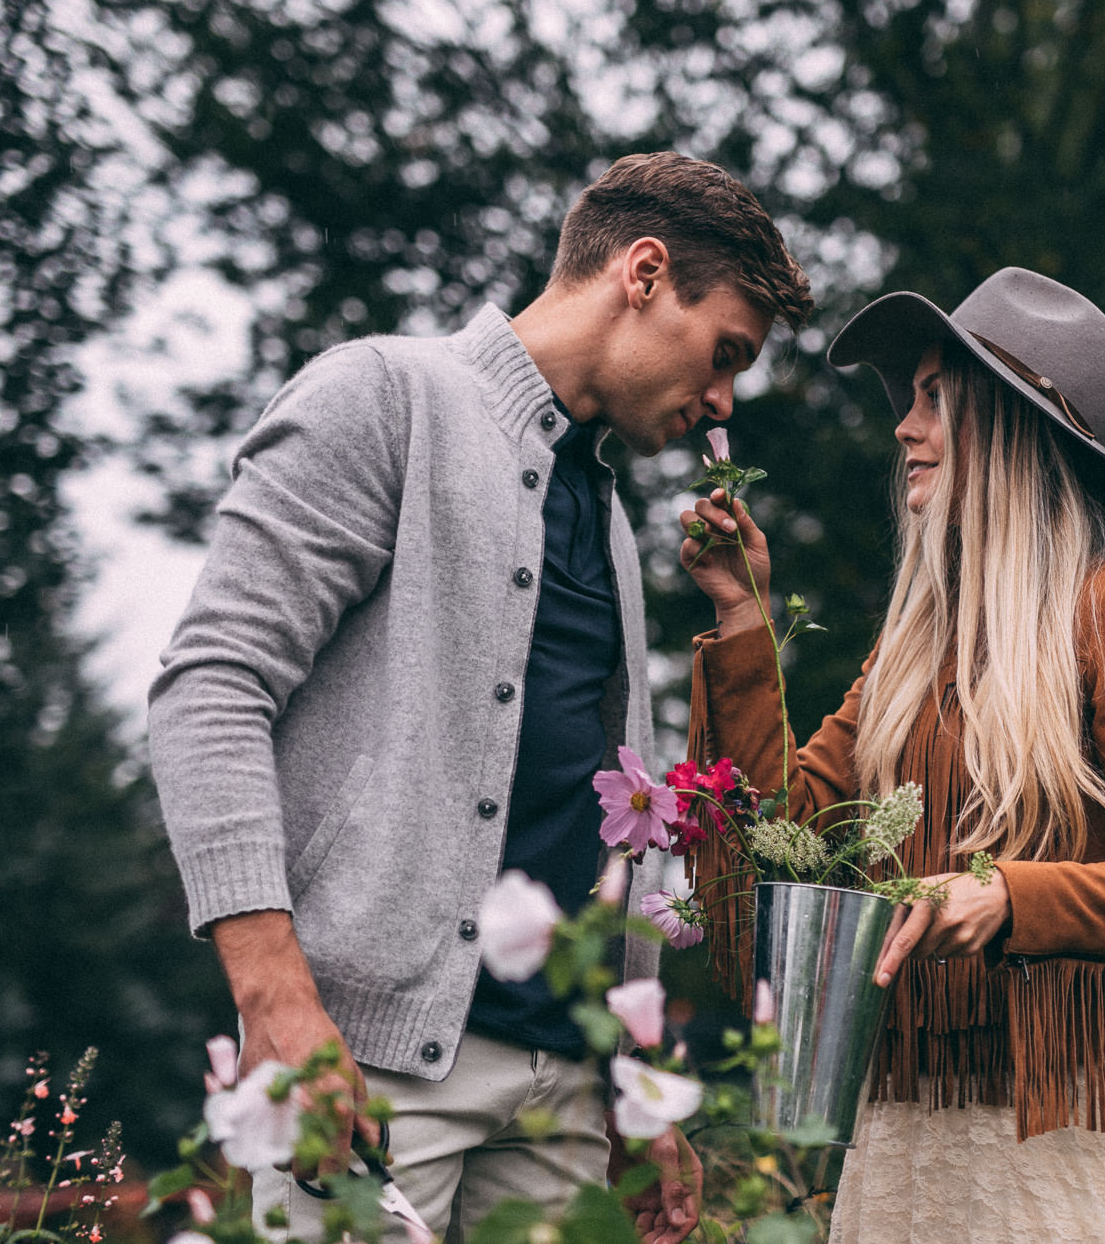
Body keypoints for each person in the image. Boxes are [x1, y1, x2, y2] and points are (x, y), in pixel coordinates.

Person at [149, 152, 814, 1244]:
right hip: (366, 1075)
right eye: (724, 353)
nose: (719, 404)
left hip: (557, 1096)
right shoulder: (380, 395)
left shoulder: (600, 507)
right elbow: (208, 687)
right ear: (643, 273)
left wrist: (630, 1082)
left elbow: (595, 819)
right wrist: (275, 999)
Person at [678, 268, 1105, 1242]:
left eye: (936, 397)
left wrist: (1005, 897)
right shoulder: (909, 652)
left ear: (1015, 430)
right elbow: (776, 842)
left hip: (1062, 1143)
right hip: (898, 1142)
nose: (903, 426)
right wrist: (741, 619)